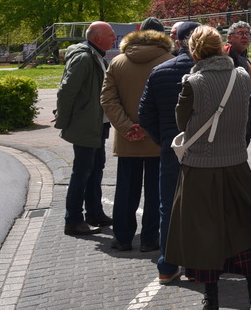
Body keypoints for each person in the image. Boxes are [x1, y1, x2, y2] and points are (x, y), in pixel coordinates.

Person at [165, 26, 251, 310]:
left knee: (205, 236)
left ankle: (211, 299)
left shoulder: (192, 83)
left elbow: (182, 124)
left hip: (200, 169)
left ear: (194, 51)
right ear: (220, 46)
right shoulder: (241, 76)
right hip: (237, 164)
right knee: (242, 232)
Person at [100, 17, 173, 252]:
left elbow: (107, 99)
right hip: (157, 138)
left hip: (127, 138)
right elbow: (171, 103)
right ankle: (150, 238)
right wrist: (147, 126)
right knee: (155, 191)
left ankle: (122, 237)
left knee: (125, 189)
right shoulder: (170, 62)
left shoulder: (118, 62)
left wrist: (127, 127)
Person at [139, 20, 201, 285]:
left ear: (178, 42)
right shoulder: (214, 72)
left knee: (169, 208)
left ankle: (167, 265)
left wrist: (163, 139)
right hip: (205, 152)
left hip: (171, 149)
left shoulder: (160, 72)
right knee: (201, 208)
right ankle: (198, 266)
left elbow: (145, 115)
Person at [56, 21, 116, 236]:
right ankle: (73, 220)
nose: (114, 38)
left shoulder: (96, 56)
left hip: (97, 124)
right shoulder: (84, 58)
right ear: (97, 38)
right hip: (85, 125)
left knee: (95, 169)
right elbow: (66, 91)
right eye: (111, 35)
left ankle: (94, 213)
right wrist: (63, 120)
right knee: (82, 172)